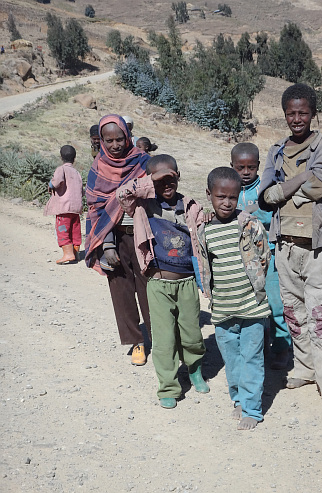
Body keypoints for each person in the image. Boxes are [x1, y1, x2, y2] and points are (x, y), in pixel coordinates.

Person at [258, 83, 322, 408]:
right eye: (291, 113)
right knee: (296, 316)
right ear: (285, 114)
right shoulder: (276, 152)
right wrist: (300, 179)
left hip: (316, 250)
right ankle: (305, 369)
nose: (297, 118)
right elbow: (266, 196)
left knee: (321, 315)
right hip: (284, 248)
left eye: (303, 112)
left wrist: (286, 188)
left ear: (313, 113)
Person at [116, 154, 209, 409]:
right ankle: (168, 386)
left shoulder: (190, 206)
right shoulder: (142, 205)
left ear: (178, 176)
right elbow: (121, 195)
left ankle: (194, 369)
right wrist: (151, 181)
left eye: (171, 177)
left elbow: (202, 231)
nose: (166, 183)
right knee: (164, 338)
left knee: (191, 333)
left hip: (187, 283)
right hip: (157, 284)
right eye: (160, 179)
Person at [196, 167, 271, 430]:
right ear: (209, 195)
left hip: (252, 306)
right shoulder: (204, 231)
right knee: (233, 359)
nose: (227, 202)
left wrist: (257, 288)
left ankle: (252, 409)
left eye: (233, 197)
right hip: (223, 309)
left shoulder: (250, 225)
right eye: (220, 197)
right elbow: (204, 265)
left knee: (252, 357)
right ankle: (238, 399)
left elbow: (264, 257)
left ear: (239, 195)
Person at [85, 114, 151, 366]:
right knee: (121, 291)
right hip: (115, 240)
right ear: (101, 141)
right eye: (108, 140)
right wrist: (106, 246)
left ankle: (160, 336)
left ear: (128, 136)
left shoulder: (143, 161)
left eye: (119, 138)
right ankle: (137, 342)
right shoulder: (98, 168)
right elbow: (96, 210)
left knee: (150, 289)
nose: (115, 145)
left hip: (144, 237)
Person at [230, 143, 291, 370]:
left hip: (269, 256)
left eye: (251, 167)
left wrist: (248, 212)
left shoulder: (263, 188)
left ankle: (282, 346)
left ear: (258, 167)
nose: (246, 172)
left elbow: (268, 213)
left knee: (275, 302)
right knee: (251, 303)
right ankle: (259, 345)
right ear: (232, 166)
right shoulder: (229, 188)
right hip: (241, 258)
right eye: (240, 167)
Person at [44, 145, 83, 264]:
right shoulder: (76, 172)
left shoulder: (61, 169)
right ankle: (75, 253)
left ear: (61, 157)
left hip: (64, 207)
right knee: (75, 230)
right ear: (74, 158)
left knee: (62, 229)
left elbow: (56, 182)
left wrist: (50, 184)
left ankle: (68, 254)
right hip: (76, 208)